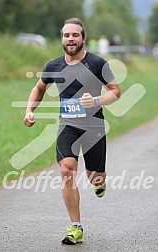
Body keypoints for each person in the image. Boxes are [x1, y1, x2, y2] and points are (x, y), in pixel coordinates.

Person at [24, 18, 121, 245]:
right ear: (62, 39)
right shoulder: (53, 66)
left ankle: (99, 182)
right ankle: (75, 226)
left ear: (83, 39)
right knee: (67, 170)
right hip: (67, 125)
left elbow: (116, 91)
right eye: (66, 35)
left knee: (95, 177)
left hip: (93, 127)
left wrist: (96, 99)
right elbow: (38, 89)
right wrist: (29, 110)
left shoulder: (97, 63)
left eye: (75, 35)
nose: (70, 39)